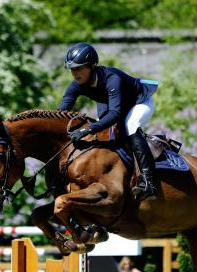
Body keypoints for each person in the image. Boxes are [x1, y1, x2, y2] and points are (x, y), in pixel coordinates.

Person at [59, 42, 159, 201]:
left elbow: (115, 114)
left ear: (92, 66)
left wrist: (88, 129)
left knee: (130, 125)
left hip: (139, 102)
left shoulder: (112, 79)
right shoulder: (76, 85)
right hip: (113, 103)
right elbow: (61, 113)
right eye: (72, 69)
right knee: (103, 131)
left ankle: (148, 180)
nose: (74, 73)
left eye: (79, 68)